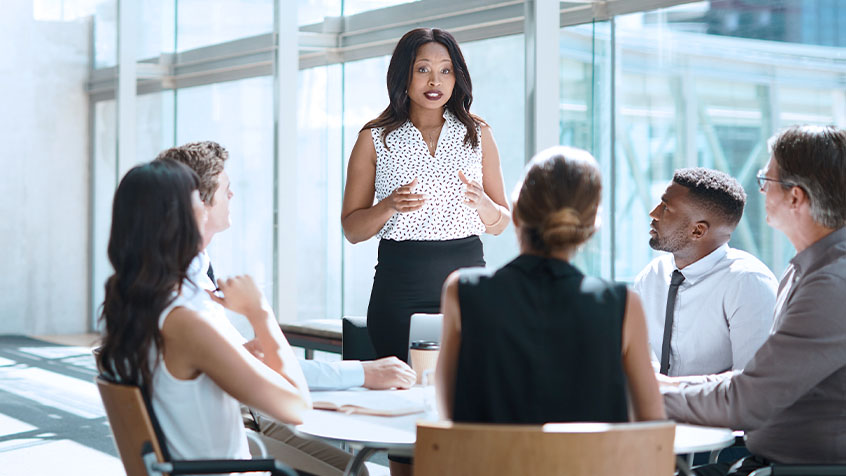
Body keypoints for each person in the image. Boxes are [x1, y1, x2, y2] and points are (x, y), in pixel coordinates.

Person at [157, 141, 415, 476]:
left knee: (354, 468)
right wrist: (259, 312)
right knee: (354, 473)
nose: (233, 196)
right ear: (199, 204)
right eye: (226, 189)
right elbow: (290, 401)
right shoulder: (187, 306)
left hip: (226, 422)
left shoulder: (178, 285)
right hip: (226, 439)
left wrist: (243, 352)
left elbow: (244, 366)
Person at [96, 159, 310, 462]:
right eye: (198, 196)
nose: (207, 205)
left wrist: (234, 356)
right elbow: (298, 408)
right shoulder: (184, 320)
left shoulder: (135, 304)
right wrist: (260, 312)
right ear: (177, 218)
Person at [661, 125, 846, 475]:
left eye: (767, 179)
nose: (759, 189)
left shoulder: (832, 283)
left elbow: (749, 401)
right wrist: (665, 384)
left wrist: (645, 398)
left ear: (796, 197)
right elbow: (755, 379)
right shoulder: (806, 270)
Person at [436, 146, 666, 424]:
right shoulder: (623, 304)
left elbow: (448, 418)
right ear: (592, 225)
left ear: (517, 213)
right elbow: (652, 430)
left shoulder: (462, 290)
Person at [341, 27, 511, 363]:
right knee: (405, 389)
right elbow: (352, 229)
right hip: (399, 291)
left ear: (456, 76)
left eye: (445, 70)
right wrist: (388, 206)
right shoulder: (375, 137)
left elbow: (500, 223)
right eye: (423, 70)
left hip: (467, 291)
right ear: (403, 75)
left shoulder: (478, 134)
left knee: (466, 390)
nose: (435, 81)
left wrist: (483, 204)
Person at [633, 168, 777, 377]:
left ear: (698, 231)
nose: (653, 213)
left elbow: (753, 385)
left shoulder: (748, 283)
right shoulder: (651, 276)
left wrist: (672, 391)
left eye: (666, 208)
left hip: (714, 410)